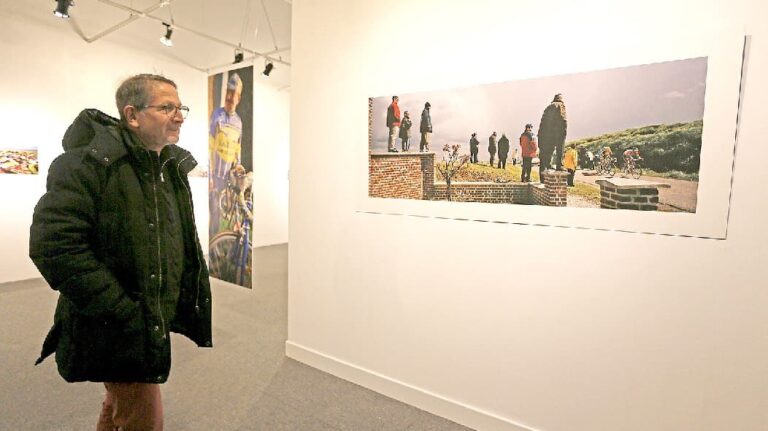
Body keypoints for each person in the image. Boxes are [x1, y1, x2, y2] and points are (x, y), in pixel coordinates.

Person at [29, 74, 212, 431]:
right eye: (167, 107)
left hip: (146, 315)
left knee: (119, 401)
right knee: (143, 416)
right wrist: (121, 311)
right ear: (132, 115)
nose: (179, 117)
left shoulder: (168, 168)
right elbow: (55, 246)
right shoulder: (85, 166)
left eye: (181, 108)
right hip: (118, 321)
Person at [209, 72, 244, 236]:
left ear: (238, 98)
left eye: (233, 94)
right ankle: (212, 246)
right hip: (215, 177)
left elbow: (238, 149)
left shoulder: (239, 122)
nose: (229, 97)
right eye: (228, 93)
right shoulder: (217, 115)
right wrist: (209, 177)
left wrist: (238, 167)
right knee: (214, 216)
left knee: (227, 217)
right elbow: (209, 146)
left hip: (228, 179)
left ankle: (222, 245)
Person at [537, 93, 567, 177]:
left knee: (544, 159)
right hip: (556, 133)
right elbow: (563, 120)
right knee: (560, 149)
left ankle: (543, 177)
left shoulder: (548, 107)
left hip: (544, 135)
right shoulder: (561, 105)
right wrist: (564, 133)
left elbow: (542, 123)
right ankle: (559, 166)